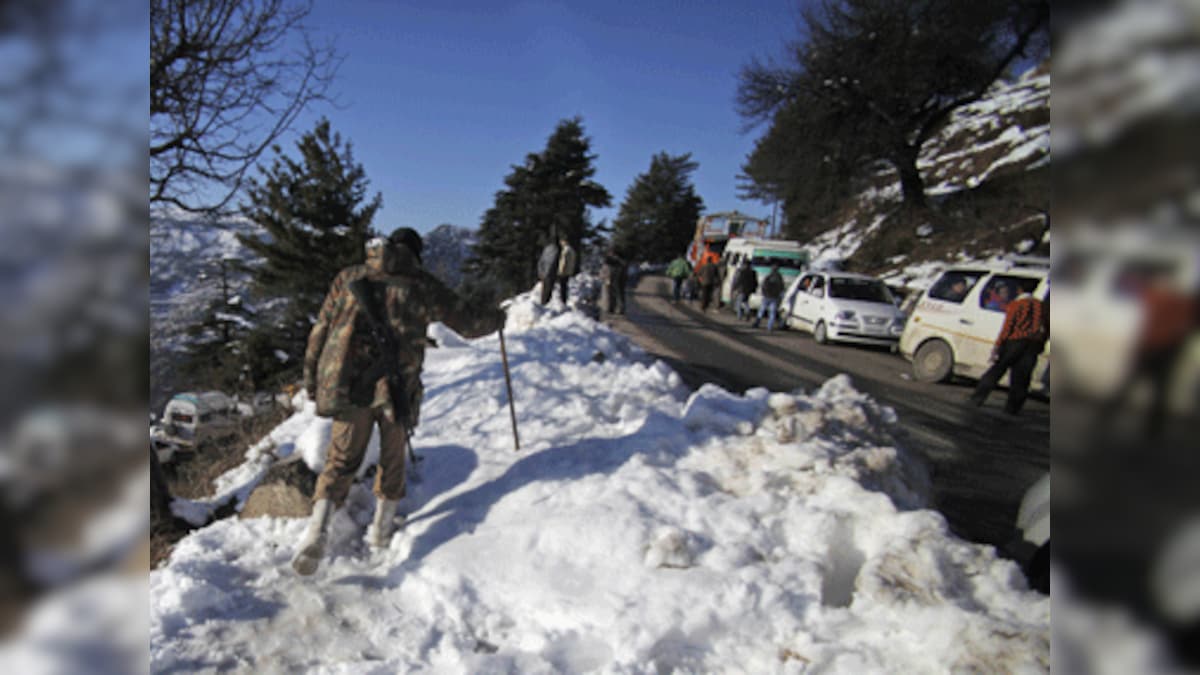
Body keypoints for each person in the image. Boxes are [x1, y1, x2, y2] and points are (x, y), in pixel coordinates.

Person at [293, 229, 505, 576]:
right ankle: (380, 531)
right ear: (416, 254)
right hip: (396, 387)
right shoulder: (421, 285)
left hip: (348, 384)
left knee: (341, 460)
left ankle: (317, 532)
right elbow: (467, 323)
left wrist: (313, 380)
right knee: (393, 459)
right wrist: (498, 319)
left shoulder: (348, 277)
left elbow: (320, 329)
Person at [967, 286, 1048, 415]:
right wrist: (1040, 345)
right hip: (1033, 345)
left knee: (997, 370)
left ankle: (977, 398)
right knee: (1021, 378)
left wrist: (998, 345)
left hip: (1014, 342)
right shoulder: (1043, 307)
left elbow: (1007, 327)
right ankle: (1012, 408)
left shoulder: (1016, 305)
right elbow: (1047, 330)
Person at [753, 265, 785, 330]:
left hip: (767, 296)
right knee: (772, 313)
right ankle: (769, 326)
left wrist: (764, 293)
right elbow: (782, 288)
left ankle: (757, 323)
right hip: (775, 297)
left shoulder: (768, 277)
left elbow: (763, 285)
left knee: (761, 310)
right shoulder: (780, 278)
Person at [602, 249, 628, 315]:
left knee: (616, 294)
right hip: (614, 279)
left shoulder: (617, 261)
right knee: (613, 294)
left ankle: (616, 308)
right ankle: (613, 308)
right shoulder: (616, 261)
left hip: (616, 279)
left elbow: (606, 269)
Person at [536, 236, 560, 305]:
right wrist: (548, 272)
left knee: (544, 289)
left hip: (543, 273)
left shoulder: (546, 249)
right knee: (548, 289)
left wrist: (540, 272)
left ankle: (543, 303)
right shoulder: (555, 249)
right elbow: (552, 262)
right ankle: (546, 304)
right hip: (549, 273)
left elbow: (540, 261)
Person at [556, 235, 577, 304]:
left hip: (564, 272)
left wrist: (560, 271)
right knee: (565, 286)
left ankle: (563, 300)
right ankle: (564, 299)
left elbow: (563, 262)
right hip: (569, 271)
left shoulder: (565, 250)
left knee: (563, 287)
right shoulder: (572, 250)